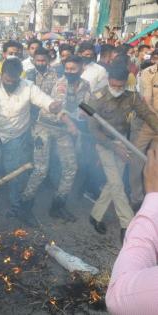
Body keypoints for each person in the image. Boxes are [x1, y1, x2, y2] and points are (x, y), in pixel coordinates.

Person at [0, 58, 62, 227]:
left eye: (14, 81)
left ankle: (16, 206)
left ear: (20, 77)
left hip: (16, 135)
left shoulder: (28, 86)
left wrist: (52, 106)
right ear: (1, 75)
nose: (10, 84)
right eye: (7, 80)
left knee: (15, 172)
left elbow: (44, 99)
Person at [88, 63, 158, 243]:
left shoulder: (132, 97)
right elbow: (94, 130)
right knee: (118, 186)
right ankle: (128, 225)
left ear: (126, 83)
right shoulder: (97, 97)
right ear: (109, 80)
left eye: (120, 86)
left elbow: (147, 115)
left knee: (114, 184)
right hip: (104, 144)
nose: (117, 89)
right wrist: (114, 146)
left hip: (123, 143)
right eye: (113, 85)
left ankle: (95, 216)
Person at [22, 55, 91, 221]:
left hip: (62, 130)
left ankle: (58, 205)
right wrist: (71, 124)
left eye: (73, 69)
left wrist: (85, 116)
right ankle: (24, 206)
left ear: (82, 69)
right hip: (44, 126)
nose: (69, 72)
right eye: (67, 69)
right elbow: (58, 109)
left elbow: (87, 106)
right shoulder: (61, 84)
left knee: (70, 167)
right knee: (41, 169)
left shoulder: (85, 85)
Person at [106, 146, 158, 315]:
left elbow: (117, 298)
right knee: (114, 185)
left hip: (121, 151)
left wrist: (153, 197)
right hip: (111, 147)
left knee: (114, 186)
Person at [130, 49, 158, 210]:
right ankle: (136, 197)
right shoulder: (148, 73)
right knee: (137, 158)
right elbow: (147, 100)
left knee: (155, 160)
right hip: (148, 122)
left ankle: (152, 197)